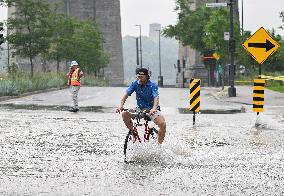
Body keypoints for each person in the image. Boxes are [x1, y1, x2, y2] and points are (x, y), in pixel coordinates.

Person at [116, 68, 166, 144]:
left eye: (141, 77)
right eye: (138, 76)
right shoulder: (134, 84)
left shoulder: (153, 85)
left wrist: (154, 108)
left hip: (151, 109)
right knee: (124, 114)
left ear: (147, 76)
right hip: (140, 109)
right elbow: (125, 95)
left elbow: (156, 97)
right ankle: (133, 133)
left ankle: (159, 145)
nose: (139, 78)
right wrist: (120, 106)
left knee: (162, 124)